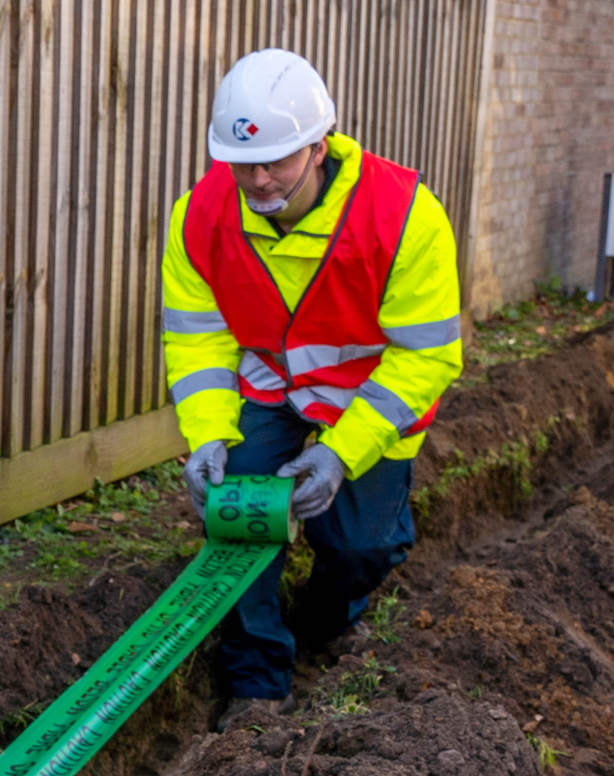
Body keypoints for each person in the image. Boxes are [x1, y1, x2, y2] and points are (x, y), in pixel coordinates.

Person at [163, 48, 463, 726]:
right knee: (236, 518)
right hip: (271, 388)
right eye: (243, 163)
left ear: (318, 146)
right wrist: (208, 433)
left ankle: (327, 622)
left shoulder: (403, 216)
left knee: (359, 546)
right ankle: (256, 683)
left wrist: (340, 451)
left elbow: (428, 357)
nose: (259, 179)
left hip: (370, 397)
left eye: (276, 161)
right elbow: (196, 336)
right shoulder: (198, 217)